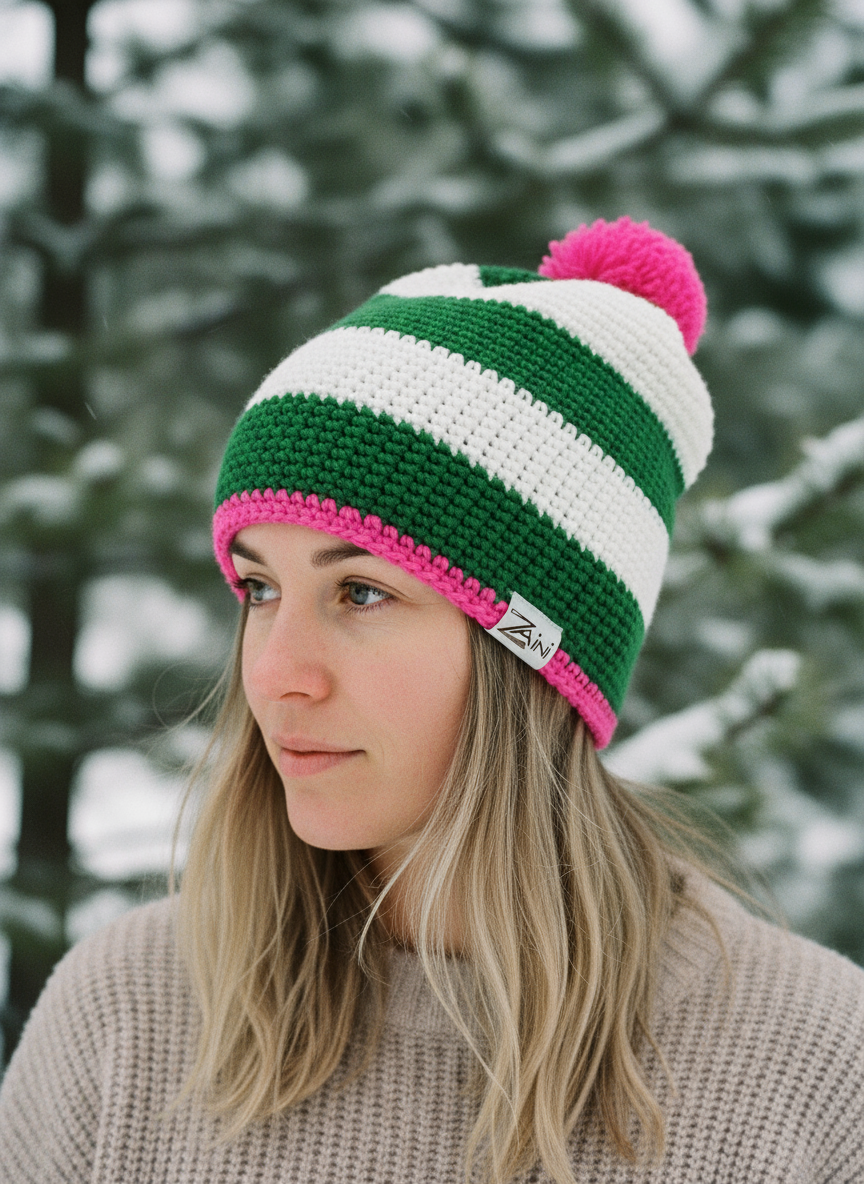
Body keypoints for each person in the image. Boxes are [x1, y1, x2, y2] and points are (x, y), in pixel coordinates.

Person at [1, 216, 862, 1184]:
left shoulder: (816, 1069)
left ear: (531, 650)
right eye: (259, 588)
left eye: (360, 592)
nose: (279, 671)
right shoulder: (124, 1018)